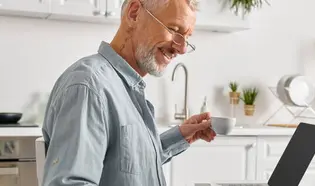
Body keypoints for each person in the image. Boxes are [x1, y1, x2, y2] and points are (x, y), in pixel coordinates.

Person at [40, 0, 216, 185]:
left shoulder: (123, 87)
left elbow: (124, 165)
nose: (181, 48)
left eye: (186, 38)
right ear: (134, 14)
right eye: (173, 29)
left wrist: (180, 136)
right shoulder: (89, 87)